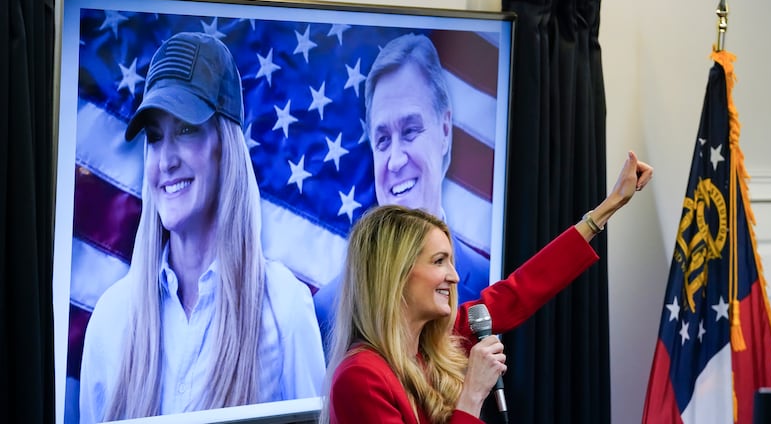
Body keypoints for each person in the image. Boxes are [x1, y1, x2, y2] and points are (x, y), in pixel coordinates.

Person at [79, 32, 325, 423]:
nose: (166, 160)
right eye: (155, 138)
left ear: (225, 148)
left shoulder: (284, 307)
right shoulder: (111, 319)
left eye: (186, 130)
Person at [320, 150, 653, 423]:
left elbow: (521, 290)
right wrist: (472, 394)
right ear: (395, 275)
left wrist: (608, 207)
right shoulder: (360, 377)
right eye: (439, 262)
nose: (453, 277)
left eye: (451, 261)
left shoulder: (436, 341)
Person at [313, 33, 488, 349]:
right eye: (382, 140)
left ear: (445, 130)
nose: (395, 160)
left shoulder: (486, 280)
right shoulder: (328, 308)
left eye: (410, 131)